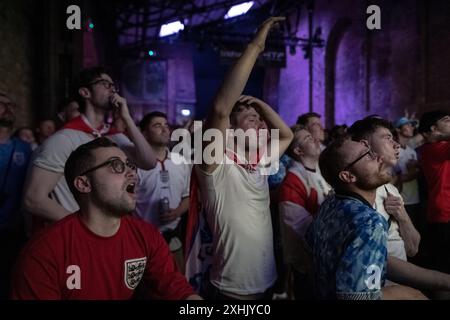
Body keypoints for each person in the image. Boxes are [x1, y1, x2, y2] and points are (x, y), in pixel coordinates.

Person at [11, 137, 201, 300]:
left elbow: (172, 285)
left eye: (129, 165)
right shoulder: (43, 253)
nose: (132, 172)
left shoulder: (146, 235)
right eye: (116, 165)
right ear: (84, 184)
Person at [191, 17, 293, 300]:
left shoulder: (260, 162)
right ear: (231, 131)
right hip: (231, 290)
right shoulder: (215, 164)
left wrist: (260, 106)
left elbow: (286, 135)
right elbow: (222, 108)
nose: (261, 125)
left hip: (267, 280)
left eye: (261, 121)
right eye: (252, 120)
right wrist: (257, 45)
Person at [23, 67, 156, 229]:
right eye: (105, 84)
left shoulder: (114, 137)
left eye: (113, 85)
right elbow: (33, 198)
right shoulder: (63, 139)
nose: (112, 89)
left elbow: (149, 162)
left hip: (110, 231)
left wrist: (126, 117)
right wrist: (83, 227)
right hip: (78, 235)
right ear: (85, 92)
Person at [306, 135, 426, 299]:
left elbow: (310, 243)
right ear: (348, 176)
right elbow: (358, 297)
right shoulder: (369, 222)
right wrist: (408, 294)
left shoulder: (331, 202)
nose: (379, 157)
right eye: (368, 155)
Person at [348, 117, 420, 260]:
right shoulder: (350, 190)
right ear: (365, 145)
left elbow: (412, 249)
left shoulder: (390, 190)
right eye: (387, 138)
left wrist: (402, 216)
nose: (396, 145)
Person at [278, 124, 331, 299]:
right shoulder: (293, 180)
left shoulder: (325, 171)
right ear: (298, 151)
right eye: (308, 138)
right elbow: (298, 227)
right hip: (308, 266)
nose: (316, 139)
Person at [136, 111, 191, 272]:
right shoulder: (136, 163)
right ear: (144, 134)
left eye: (166, 125)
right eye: (157, 125)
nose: (165, 129)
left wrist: (177, 212)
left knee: (178, 286)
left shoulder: (180, 161)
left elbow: (188, 196)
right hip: (143, 243)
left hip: (173, 240)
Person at [0, 92, 32, 299]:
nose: (8, 108)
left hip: (14, 228)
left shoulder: (25, 148)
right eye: (2, 104)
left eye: (11, 104)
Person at [417, 110, 450, 274]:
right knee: (444, 268)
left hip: (443, 212)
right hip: (444, 215)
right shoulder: (432, 149)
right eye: (447, 121)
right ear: (433, 129)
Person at [394, 117, 422, 229]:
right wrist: (416, 172)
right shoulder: (394, 151)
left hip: (415, 199)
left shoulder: (412, 151)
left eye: (412, 125)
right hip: (402, 202)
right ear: (398, 129)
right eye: (407, 125)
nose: (411, 127)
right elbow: (395, 178)